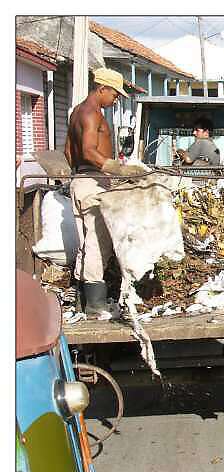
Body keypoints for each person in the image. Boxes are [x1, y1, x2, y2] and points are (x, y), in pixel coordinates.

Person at [65, 67, 146, 317]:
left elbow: (69, 152)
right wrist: (116, 169)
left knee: (84, 243)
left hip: (80, 179)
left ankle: (82, 299)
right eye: (115, 94)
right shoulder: (91, 115)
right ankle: (96, 305)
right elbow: (88, 151)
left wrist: (81, 175)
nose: (116, 99)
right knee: (98, 243)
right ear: (102, 88)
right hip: (92, 182)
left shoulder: (76, 113)